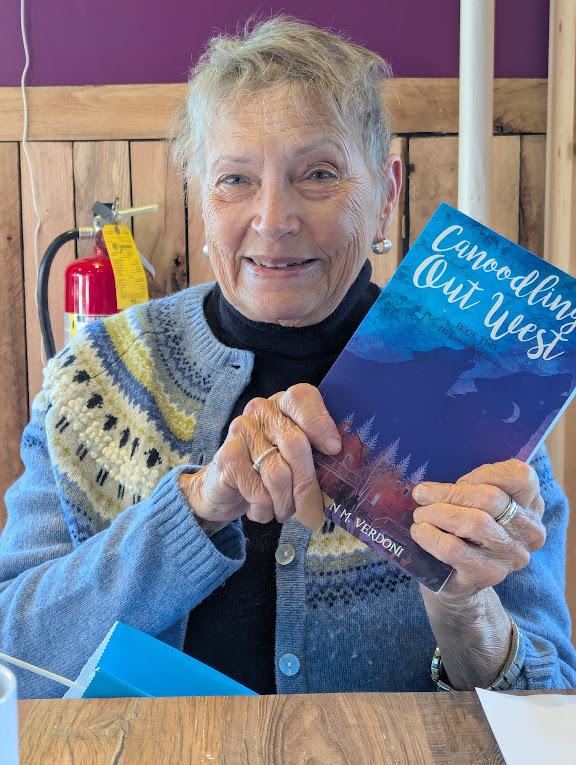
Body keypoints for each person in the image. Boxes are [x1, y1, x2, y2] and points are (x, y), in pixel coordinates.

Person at [1, 17, 575, 699]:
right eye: (235, 179)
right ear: (201, 197)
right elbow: (12, 653)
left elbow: (553, 699)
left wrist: (467, 608)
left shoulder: (481, 390)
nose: (273, 219)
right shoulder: (99, 375)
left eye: (319, 174)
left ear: (387, 194)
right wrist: (196, 507)